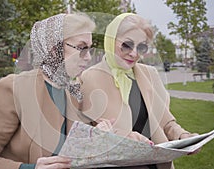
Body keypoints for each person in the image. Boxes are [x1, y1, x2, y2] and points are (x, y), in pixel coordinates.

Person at [0, 13, 95, 169]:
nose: (88, 58)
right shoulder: (12, 89)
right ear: (54, 47)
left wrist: (99, 134)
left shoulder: (71, 92)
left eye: (89, 49)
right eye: (81, 48)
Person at [79, 13, 200, 169]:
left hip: (156, 164)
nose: (134, 53)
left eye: (141, 47)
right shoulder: (90, 78)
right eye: (127, 45)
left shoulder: (150, 74)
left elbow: (166, 121)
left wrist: (184, 136)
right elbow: (87, 133)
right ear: (110, 40)